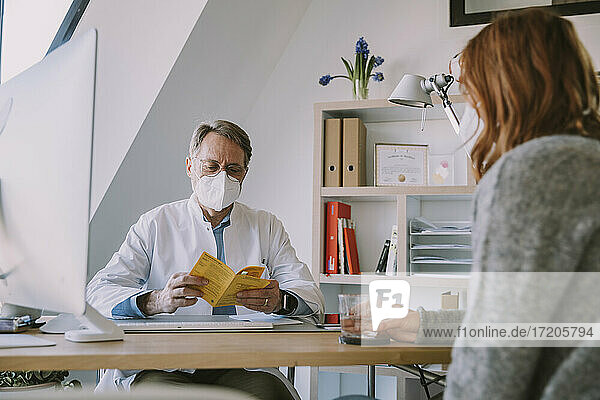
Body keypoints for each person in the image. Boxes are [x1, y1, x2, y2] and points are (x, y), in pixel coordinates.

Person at [376, 8, 600, 400]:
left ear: (506, 92)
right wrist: (424, 323)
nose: (473, 108)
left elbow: (498, 352)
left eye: (475, 93)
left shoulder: (527, 173)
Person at [87, 120, 325, 399]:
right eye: (211, 167)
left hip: (242, 365)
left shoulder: (265, 225)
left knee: (270, 394)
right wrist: (156, 300)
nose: (221, 178)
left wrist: (279, 299)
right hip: (163, 365)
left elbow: (312, 296)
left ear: (244, 174)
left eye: (233, 169)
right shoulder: (155, 223)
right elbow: (97, 292)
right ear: (190, 167)